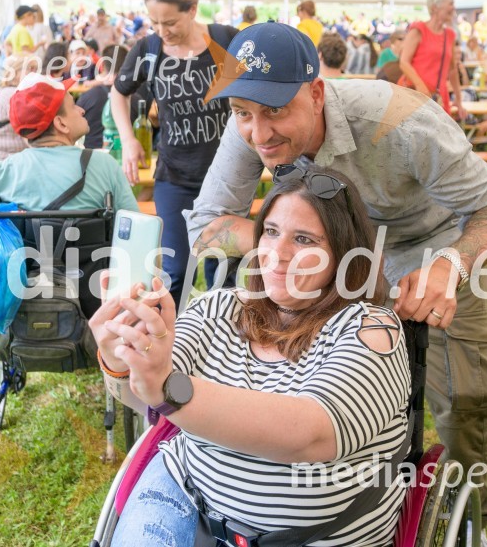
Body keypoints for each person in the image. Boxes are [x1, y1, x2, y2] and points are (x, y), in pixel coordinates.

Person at [185, 22, 487, 536]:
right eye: (243, 113)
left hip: (427, 247)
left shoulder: (403, 122)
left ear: (317, 94)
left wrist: (449, 267)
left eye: (275, 111)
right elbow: (205, 225)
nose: (259, 134)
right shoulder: (250, 126)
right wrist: (287, 243)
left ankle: (471, 520)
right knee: (317, 386)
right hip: (324, 260)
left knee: (462, 395)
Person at [94, 165, 411, 546]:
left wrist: (168, 388)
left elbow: (308, 436)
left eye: (304, 240)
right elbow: (145, 400)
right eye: (271, 232)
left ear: (344, 254)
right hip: (185, 497)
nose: (277, 254)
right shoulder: (218, 308)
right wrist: (120, 361)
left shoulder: (371, 330)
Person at [0, 73, 139, 297]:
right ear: (60, 123)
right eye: (73, 105)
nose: (82, 110)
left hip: (21, 300)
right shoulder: (104, 165)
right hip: (96, 299)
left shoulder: (4, 171)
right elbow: (139, 231)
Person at [110, 0, 238, 311]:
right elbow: (118, 93)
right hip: (174, 176)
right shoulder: (148, 49)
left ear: (192, 10)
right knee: (176, 271)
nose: (161, 31)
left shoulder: (226, 40)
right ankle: (170, 337)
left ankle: (220, 335)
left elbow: (257, 85)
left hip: (227, 178)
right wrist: (128, 139)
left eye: (169, 22)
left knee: (223, 272)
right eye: (154, 22)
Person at [397, 0, 467, 121]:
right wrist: (420, 86)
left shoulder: (449, 35)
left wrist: (458, 99)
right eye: (450, 3)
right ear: (435, 7)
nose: (453, 8)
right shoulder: (419, 29)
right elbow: (404, 62)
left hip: (438, 97)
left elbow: (452, 70)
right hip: (414, 95)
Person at [0, 56, 37, 176]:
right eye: (30, 68)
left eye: (35, 69)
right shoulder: (12, 95)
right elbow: (28, 133)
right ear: (15, 73)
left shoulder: (11, 92)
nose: (35, 73)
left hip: (10, 158)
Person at [77, 45, 129, 149]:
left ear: (103, 65)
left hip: (90, 154)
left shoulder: (87, 97)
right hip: (124, 153)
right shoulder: (136, 99)